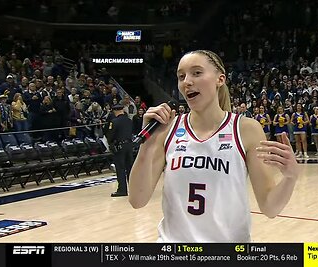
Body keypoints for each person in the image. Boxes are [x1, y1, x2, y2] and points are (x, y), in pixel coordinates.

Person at [128, 50, 299, 242]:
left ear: (220, 79)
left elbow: (270, 207)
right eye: (181, 76)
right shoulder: (167, 130)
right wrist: (147, 144)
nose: (187, 82)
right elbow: (137, 200)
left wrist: (290, 178)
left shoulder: (246, 129)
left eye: (197, 73)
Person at [106, 104, 133, 197]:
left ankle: (122, 190)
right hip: (129, 145)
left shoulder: (114, 122)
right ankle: (133, 189)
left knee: (120, 168)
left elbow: (110, 135)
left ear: (115, 111)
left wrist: (111, 143)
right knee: (130, 168)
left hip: (119, 147)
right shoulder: (129, 121)